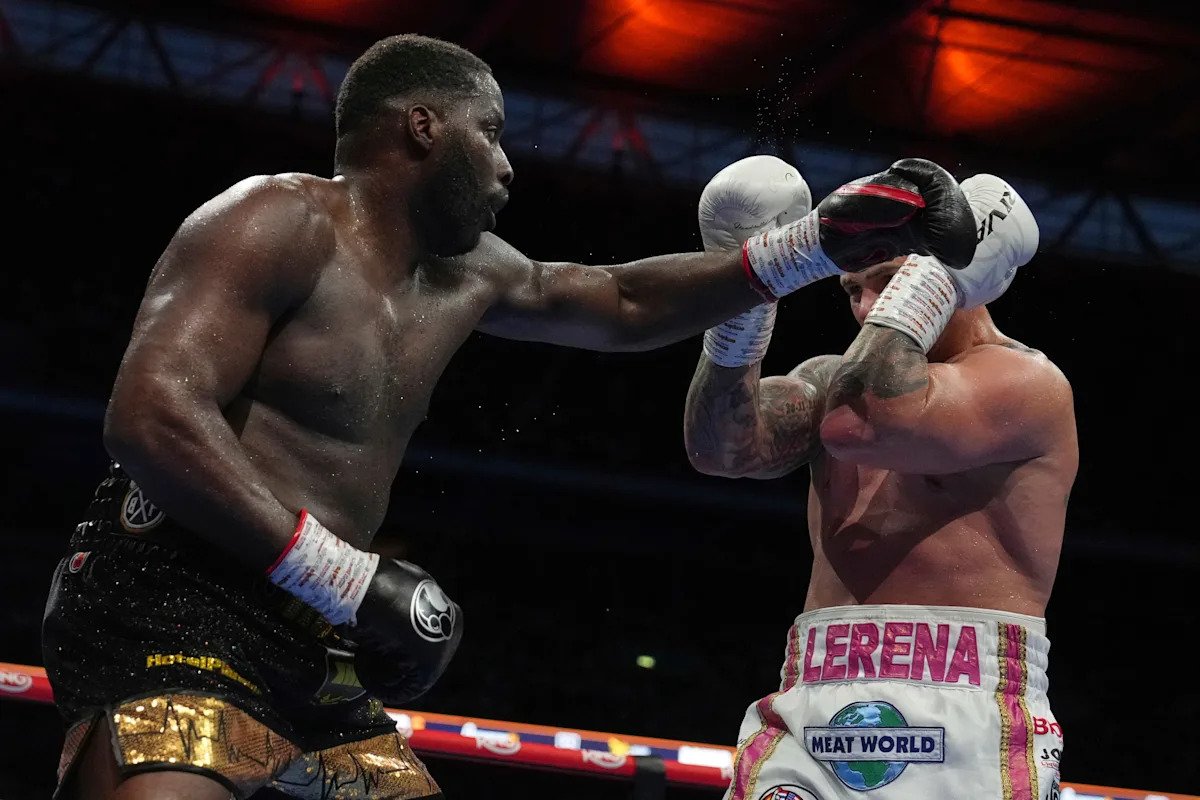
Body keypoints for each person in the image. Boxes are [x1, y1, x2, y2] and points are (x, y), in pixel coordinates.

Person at [41, 33, 981, 800]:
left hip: (308, 632)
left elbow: (622, 302)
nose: (505, 164)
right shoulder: (275, 220)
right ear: (422, 125)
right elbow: (150, 415)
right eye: (490, 133)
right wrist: (350, 579)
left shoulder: (470, 272)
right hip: (175, 593)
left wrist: (815, 244)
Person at [684, 155, 1077, 800]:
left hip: (959, 703)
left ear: (963, 278)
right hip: (815, 694)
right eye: (852, 290)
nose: (868, 308)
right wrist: (743, 304)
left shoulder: (1026, 385)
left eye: (890, 282)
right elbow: (720, 449)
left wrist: (939, 269)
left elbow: (865, 424)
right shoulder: (830, 381)